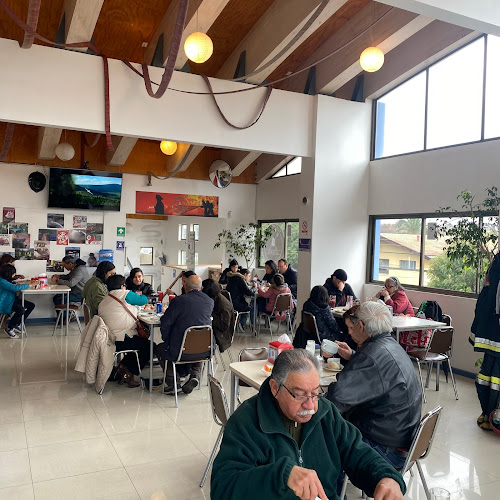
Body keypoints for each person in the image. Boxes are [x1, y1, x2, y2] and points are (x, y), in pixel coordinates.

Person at [211, 349, 406, 500]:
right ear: (274, 388)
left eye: (315, 393)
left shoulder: (326, 413)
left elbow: (358, 451)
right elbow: (222, 488)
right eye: (300, 395)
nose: (311, 405)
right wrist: (281, 475)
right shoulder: (247, 422)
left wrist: (385, 477)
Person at [327, 302, 421, 469]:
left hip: (385, 448)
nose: (349, 332)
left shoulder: (371, 356)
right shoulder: (391, 345)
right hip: (404, 439)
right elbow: (378, 373)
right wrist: (354, 357)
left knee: (328, 437)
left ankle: (331, 492)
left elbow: (336, 399)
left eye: (351, 327)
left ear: (361, 326)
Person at [157, 275, 214, 395]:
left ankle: (174, 384)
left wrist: (167, 339)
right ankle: (195, 375)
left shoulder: (179, 301)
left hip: (181, 349)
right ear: (201, 287)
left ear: (185, 286)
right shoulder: (209, 301)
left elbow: (165, 322)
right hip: (206, 349)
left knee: (160, 348)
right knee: (198, 345)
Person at [98, 274, 150, 387]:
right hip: (122, 339)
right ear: (122, 286)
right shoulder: (124, 293)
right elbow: (143, 300)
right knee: (149, 346)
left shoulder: (104, 300)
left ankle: (122, 366)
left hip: (108, 339)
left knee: (140, 343)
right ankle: (128, 371)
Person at [470, 254, 500, 431]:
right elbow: (487, 294)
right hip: (491, 333)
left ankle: (490, 415)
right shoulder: (497, 261)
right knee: (487, 378)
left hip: (491, 332)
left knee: (492, 377)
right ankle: (489, 414)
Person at [0, 264, 35, 338]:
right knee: (21, 310)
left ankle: (17, 323)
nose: (14, 275)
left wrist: (25, 282)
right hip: (5, 302)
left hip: (12, 299)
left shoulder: (5, 280)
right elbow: (14, 288)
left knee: (31, 305)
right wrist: (30, 285)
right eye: (13, 274)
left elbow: (13, 284)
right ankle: (10, 328)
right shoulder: (2, 281)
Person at [202, 278, 233, 353]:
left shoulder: (222, 304)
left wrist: (210, 317)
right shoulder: (213, 298)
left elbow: (224, 326)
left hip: (220, 333)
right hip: (213, 327)